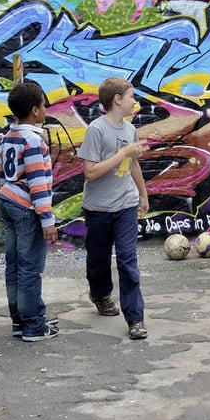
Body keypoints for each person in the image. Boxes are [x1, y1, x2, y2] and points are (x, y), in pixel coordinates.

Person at [78, 76, 150, 340]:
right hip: (98, 208)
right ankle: (100, 294)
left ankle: (135, 319)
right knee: (97, 260)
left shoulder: (130, 130)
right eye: (131, 96)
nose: (135, 101)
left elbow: (133, 165)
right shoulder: (96, 130)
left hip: (126, 206)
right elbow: (90, 172)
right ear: (117, 100)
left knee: (127, 261)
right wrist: (123, 154)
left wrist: (143, 193)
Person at [0, 81, 60, 342]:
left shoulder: (8, 137)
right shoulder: (33, 141)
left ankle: (19, 321)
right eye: (44, 105)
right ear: (35, 110)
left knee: (13, 265)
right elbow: (38, 183)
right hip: (27, 208)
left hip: (8, 201)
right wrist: (47, 219)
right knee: (30, 268)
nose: (46, 109)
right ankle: (34, 325)